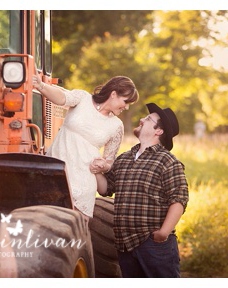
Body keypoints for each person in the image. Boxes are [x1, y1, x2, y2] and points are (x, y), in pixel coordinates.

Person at [91, 103, 189, 277]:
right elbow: (106, 189)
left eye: (149, 119)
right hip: (124, 245)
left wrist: (163, 233)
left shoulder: (168, 162)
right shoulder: (124, 158)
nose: (142, 119)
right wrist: (97, 172)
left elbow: (179, 200)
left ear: (158, 131)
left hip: (153, 244)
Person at [32, 75, 139, 218]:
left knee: (74, 235)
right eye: (125, 102)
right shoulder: (83, 98)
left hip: (82, 184)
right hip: (54, 172)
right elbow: (61, 98)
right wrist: (41, 86)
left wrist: (104, 165)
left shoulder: (117, 126)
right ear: (113, 94)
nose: (126, 107)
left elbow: (110, 160)